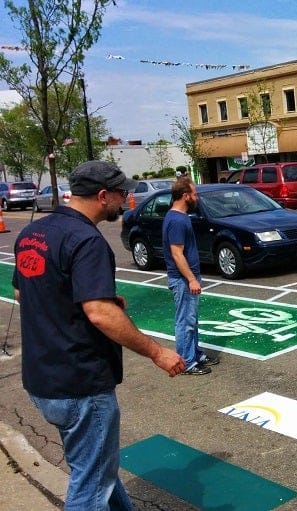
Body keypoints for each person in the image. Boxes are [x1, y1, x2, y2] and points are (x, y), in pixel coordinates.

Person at [12, 161, 185, 511]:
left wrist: (91, 299)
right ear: (103, 195)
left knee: (96, 469)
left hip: (42, 380)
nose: (124, 201)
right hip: (80, 385)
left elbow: (23, 292)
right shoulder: (87, 239)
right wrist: (156, 352)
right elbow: (99, 314)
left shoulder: (33, 233)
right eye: (122, 194)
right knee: (89, 488)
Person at [163, 177, 219, 375]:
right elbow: (177, 253)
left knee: (191, 319)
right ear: (185, 196)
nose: (197, 198)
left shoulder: (180, 217)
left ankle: (194, 353)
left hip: (187, 278)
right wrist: (191, 279)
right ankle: (187, 362)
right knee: (185, 321)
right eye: (194, 194)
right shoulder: (177, 220)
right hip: (182, 280)